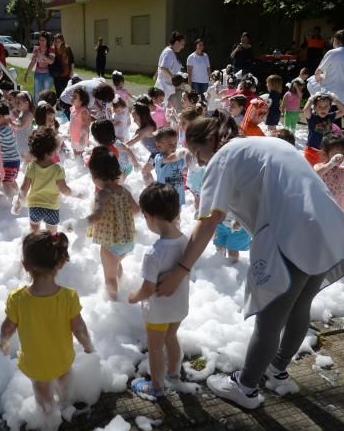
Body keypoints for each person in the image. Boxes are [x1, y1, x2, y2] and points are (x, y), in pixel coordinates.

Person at [157, 113, 344, 410]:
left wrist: (181, 269)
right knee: (299, 307)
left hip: (291, 237)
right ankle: (277, 370)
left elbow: (207, 222)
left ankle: (245, 387)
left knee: (269, 320)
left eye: (198, 153)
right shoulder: (265, 143)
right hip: (330, 228)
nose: (201, 162)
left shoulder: (224, 157)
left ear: (211, 141)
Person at [0, 232, 93, 412]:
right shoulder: (68, 297)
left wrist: (4, 342)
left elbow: (7, 327)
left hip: (36, 363)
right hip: (62, 359)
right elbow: (79, 328)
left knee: (42, 393)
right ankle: (66, 404)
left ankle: (49, 422)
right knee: (64, 380)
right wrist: (88, 346)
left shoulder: (17, 299)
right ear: (59, 264)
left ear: (25, 265)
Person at [128, 183, 189, 401]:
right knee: (171, 338)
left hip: (159, 312)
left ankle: (156, 387)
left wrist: (132, 297)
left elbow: (148, 288)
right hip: (179, 306)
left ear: (150, 217)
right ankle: (174, 375)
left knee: (155, 348)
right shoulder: (186, 241)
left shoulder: (154, 253)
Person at [81, 147, 139, 300]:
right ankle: (122, 283)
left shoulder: (102, 194)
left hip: (110, 245)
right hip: (126, 241)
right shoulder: (123, 190)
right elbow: (136, 209)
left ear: (95, 176)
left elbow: (97, 216)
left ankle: (114, 302)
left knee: (109, 278)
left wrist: (80, 223)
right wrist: (120, 215)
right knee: (116, 265)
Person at [16, 128, 73, 234]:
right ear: (50, 153)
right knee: (52, 235)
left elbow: (24, 188)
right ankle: (50, 247)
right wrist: (73, 192)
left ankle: (34, 244)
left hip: (34, 206)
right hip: (51, 207)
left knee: (34, 231)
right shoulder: (57, 169)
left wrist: (19, 202)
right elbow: (64, 189)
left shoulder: (31, 167)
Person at [146, 127, 190, 205]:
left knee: (177, 213)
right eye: (170, 144)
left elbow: (183, 171)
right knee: (167, 214)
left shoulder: (179, 159)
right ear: (159, 146)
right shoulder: (159, 158)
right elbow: (170, 159)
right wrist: (182, 153)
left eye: (175, 143)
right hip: (165, 194)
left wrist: (189, 164)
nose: (173, 146)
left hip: (178, 192)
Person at [302, 92, 344, 166]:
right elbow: (305, 110)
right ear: (314, 107)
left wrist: (335, 99)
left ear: (330, 107)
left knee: (323, 172)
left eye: (326, 106)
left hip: (325, 151)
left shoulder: (330, 117)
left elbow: (342, 111)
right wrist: (311, 99)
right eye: (320, 106)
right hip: (312, 151)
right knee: (311, 171)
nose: (323, 109)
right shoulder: (312, 118)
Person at [314, 133, 344, 209]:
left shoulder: (341, 170)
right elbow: (314, 174)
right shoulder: (321, 166)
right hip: (323, 205)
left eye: (342, 153)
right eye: (336, 153)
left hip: (338, 205)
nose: (340, 156)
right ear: (325, 154)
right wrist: (330, 164)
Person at [155, 31, 185, 105]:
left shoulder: (171, 52)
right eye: (182, 44)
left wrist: (181, 74)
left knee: (166, 110)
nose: (183, 47)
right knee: (163, 109)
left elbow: (171, 69)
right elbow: (163, 68)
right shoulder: (169, 52)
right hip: (164, 87)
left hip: (168, 87)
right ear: (177, 42)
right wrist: (175, 79)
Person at [25, 32, 56, 105]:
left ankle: (46, 109)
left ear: (47, 41)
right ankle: (36, 110)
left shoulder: (51, 49)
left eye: (43, 40)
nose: (41, 42)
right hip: (38, 74)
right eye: (40, 40)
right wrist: (27, 73)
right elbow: (33, 63)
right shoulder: (36, 50)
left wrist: (41, 54)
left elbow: (51, 61)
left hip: (48, 75)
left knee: (46, 95)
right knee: (36, 94)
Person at [314, 29, 344, 103]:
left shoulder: (332, 53)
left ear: (336, 40)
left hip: (330, 96)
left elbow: (318, 71)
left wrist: (318, 78)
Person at [11, 91, 35, 161]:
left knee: (28, 160)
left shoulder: (28, 114)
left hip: (26, 141)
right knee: (24, 160)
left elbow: (21, 126)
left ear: (27, 103)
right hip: (21, 139)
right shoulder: (22, 112)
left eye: (19, 102)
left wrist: (10, 122)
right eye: (16, 102)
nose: (16, 104)